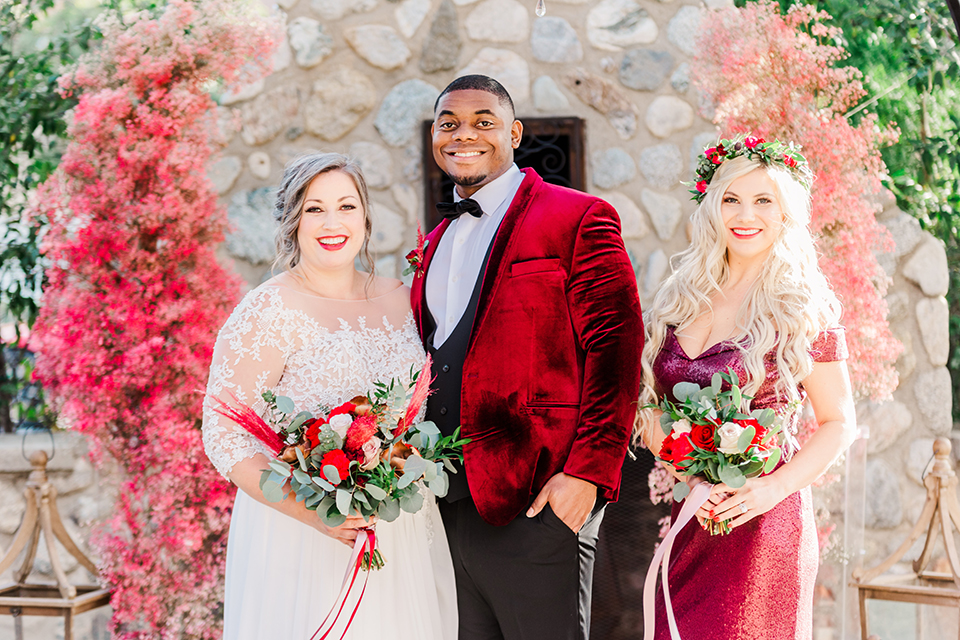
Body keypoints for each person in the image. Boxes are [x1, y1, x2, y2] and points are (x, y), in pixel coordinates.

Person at [409, 74, 644, 640]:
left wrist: (587, 474)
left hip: (540, 499)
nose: (464, 134)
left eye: (483, 122)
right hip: (445, 503)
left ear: (514, 133)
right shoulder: (435, 242)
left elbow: (617, 350)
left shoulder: (579, 217)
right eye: (450, 124)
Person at [201, 153, 457, 640]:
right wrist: (315, 512)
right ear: (292, 220)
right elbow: (224, 433)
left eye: (346, 206)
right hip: (304, 534)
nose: (333, 222)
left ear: (365, 216)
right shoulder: (267, 310)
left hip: (401, 527)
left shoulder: (406, 297)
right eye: (315, 209)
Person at [635, 135, 858, 639]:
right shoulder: (679, 298)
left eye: (764, 201)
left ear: (786, 214)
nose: (745, 214)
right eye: (732, 198)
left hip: (763, 523)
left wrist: (770, 489)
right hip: (691, 514)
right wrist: (684, 464)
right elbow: (647, 406)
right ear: (712, 206)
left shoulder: (804, 307)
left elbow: (839, 422)